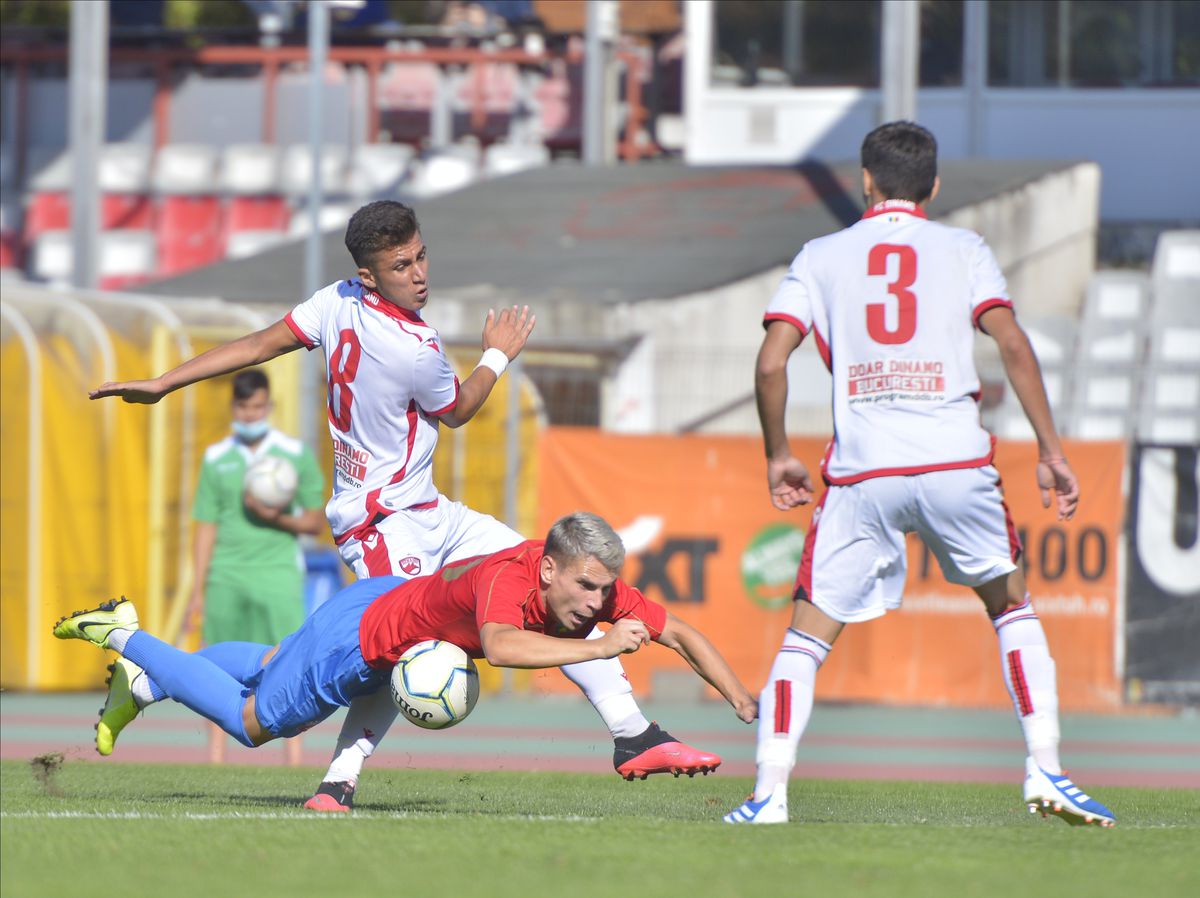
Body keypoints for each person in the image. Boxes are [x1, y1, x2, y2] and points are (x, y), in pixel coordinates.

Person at [89, 200, 722, 811]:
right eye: (401, 265)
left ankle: (634, 735)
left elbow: (260, 344)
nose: (419, 274)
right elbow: (460, 410)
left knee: (546, 580)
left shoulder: (336, 300)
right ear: (369, 275)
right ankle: (336, 780)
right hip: (382, 527)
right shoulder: (414, 345)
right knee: (392, 648)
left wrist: (165, 382)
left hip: (430, 510)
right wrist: (497, 354)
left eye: (421, 256)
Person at [723, 122, 1115, 827]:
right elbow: (1012, 344)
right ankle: (1048, 770)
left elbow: (772, 362)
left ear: (865, 182)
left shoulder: (820, 255)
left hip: (863, 472)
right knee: (1012, 609)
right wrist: (1051, 451)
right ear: (933, 186)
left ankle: (767, 795)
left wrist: (777, 452)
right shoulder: (965, 249)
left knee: (806, 640)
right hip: (955, 462)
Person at [54, 512, 758, 791]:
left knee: (271, 665)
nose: (598, 602)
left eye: (605, 590)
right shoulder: (507, 581)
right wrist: (601, 646)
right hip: (361, 640)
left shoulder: (590, 587)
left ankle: (142, 686)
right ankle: (123, 634)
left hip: (382, 600)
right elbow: (502, 647)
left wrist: (738, 696)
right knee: (254, 722)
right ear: (548, 569)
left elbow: (681, 633)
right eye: (586, 587)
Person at [189, 368, 325, 765]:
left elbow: (315, 523)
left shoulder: (294, 454)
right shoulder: (216, 458)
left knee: (286, 665)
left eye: (259, 407)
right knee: (216, 667)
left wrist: (272, 516)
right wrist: (198, 589)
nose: (251, 415)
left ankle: (294, 758)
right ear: (234, 407)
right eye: (245, 408)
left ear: (270, 406)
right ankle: (215, 758)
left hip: (277, 574)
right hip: (226, 575)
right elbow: (206, 526)